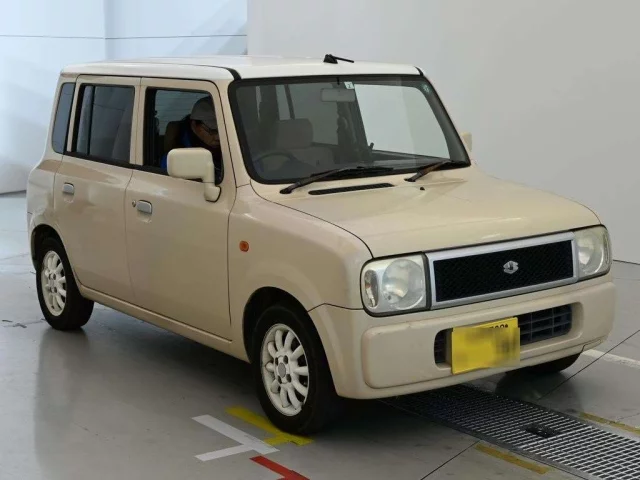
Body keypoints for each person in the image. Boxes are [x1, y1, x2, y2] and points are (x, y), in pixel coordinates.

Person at [161, 96, 223, 183]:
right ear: (194, 125)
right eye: (212, 130)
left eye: (223, 131)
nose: (218, 137)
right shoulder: (176, 156)